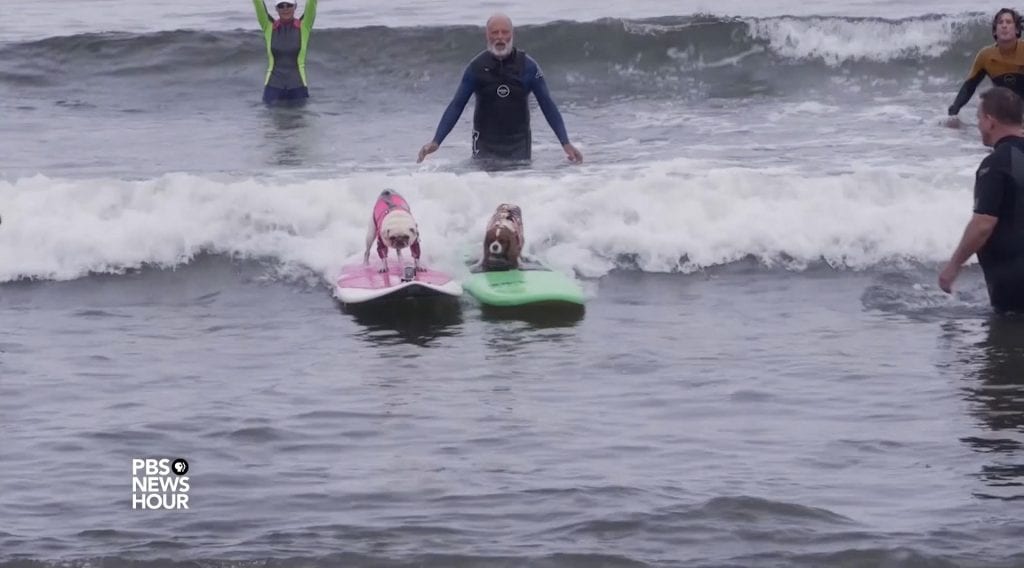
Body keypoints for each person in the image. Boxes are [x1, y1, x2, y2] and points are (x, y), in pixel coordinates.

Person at [417, 13, 583, 164]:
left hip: (519, 143)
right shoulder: (476, 67)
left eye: (505, 32)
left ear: (512, 34)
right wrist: (436, 141)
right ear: (487, 35)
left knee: (519, 187)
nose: (500, 37)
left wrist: (565, 142)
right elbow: (456, 105)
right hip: (484, 143)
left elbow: (548, 105)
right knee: (484, 188)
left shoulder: (530, 67)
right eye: (495, 33)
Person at [939, 86, 1024, 312]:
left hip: (1015, 286)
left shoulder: (996, 163)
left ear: (989, 120)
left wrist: (953, 267)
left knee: (1006, 345)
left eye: (978, 118)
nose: (977, 125)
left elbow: (983, 224)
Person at [947, 8, 1024, 127]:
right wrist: (954, 110)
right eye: (1000, 22)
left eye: (1008, 22)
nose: (1004, 26)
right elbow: (969, 87)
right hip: (1003, 114)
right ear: (994, 31)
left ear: (1017, 29)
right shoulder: (986, 56)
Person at [252, 0, 317, 105]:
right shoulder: (268, 26)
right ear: (276, 9)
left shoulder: (304, 26)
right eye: (281, 6)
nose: (285, 9)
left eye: (289, 5)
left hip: (298, 87)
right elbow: (257, 3)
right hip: (273, 87)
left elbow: (312, 2)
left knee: (299, 121)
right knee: (269, 121)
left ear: (295, 7)